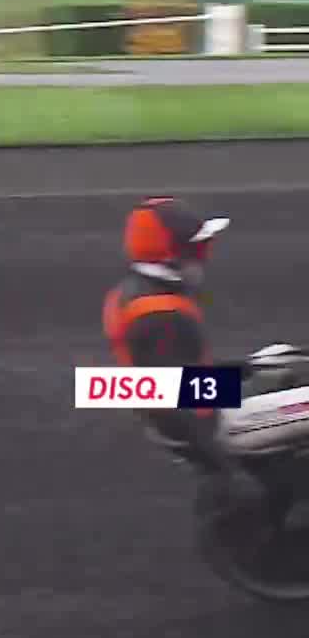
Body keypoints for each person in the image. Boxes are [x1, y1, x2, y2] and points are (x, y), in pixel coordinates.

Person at [103, 196, 256, 499]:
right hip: (205, 426)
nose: (205, 256)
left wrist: (234, 372)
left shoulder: (128, 293)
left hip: (184, 407)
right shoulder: (161, 313)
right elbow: (170, 403)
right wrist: (225, 470)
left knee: (284, 361)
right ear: (172, 255)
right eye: (198, 248)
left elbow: (164, 378)